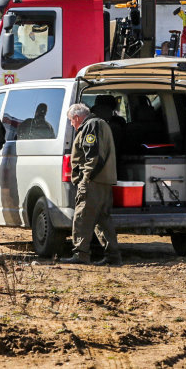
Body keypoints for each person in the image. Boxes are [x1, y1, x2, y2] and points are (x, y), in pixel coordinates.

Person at [60, 103, 121, 266]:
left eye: (71, 121)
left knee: (83, 217)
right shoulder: (101, 124)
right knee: (103, 220)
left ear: (77, 118)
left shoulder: (91, 125)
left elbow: (93, 156)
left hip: (93, 182)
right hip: (103, 181)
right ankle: (112, 255)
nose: (72, 125)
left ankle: (81, 254)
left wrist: (84, 180)